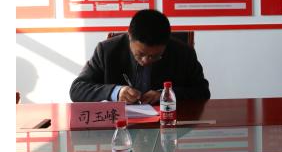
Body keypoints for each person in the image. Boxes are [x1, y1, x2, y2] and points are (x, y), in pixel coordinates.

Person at [70, 9, 210, 103]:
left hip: (166, 125)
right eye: (140, 54)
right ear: (129, 36)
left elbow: (203, 92)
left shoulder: (183, 52)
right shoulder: (107, 51)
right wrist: (116, 92)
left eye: (155, 56)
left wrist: (165, 95)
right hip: (120, 127)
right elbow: (77, 89)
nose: (145, 61)